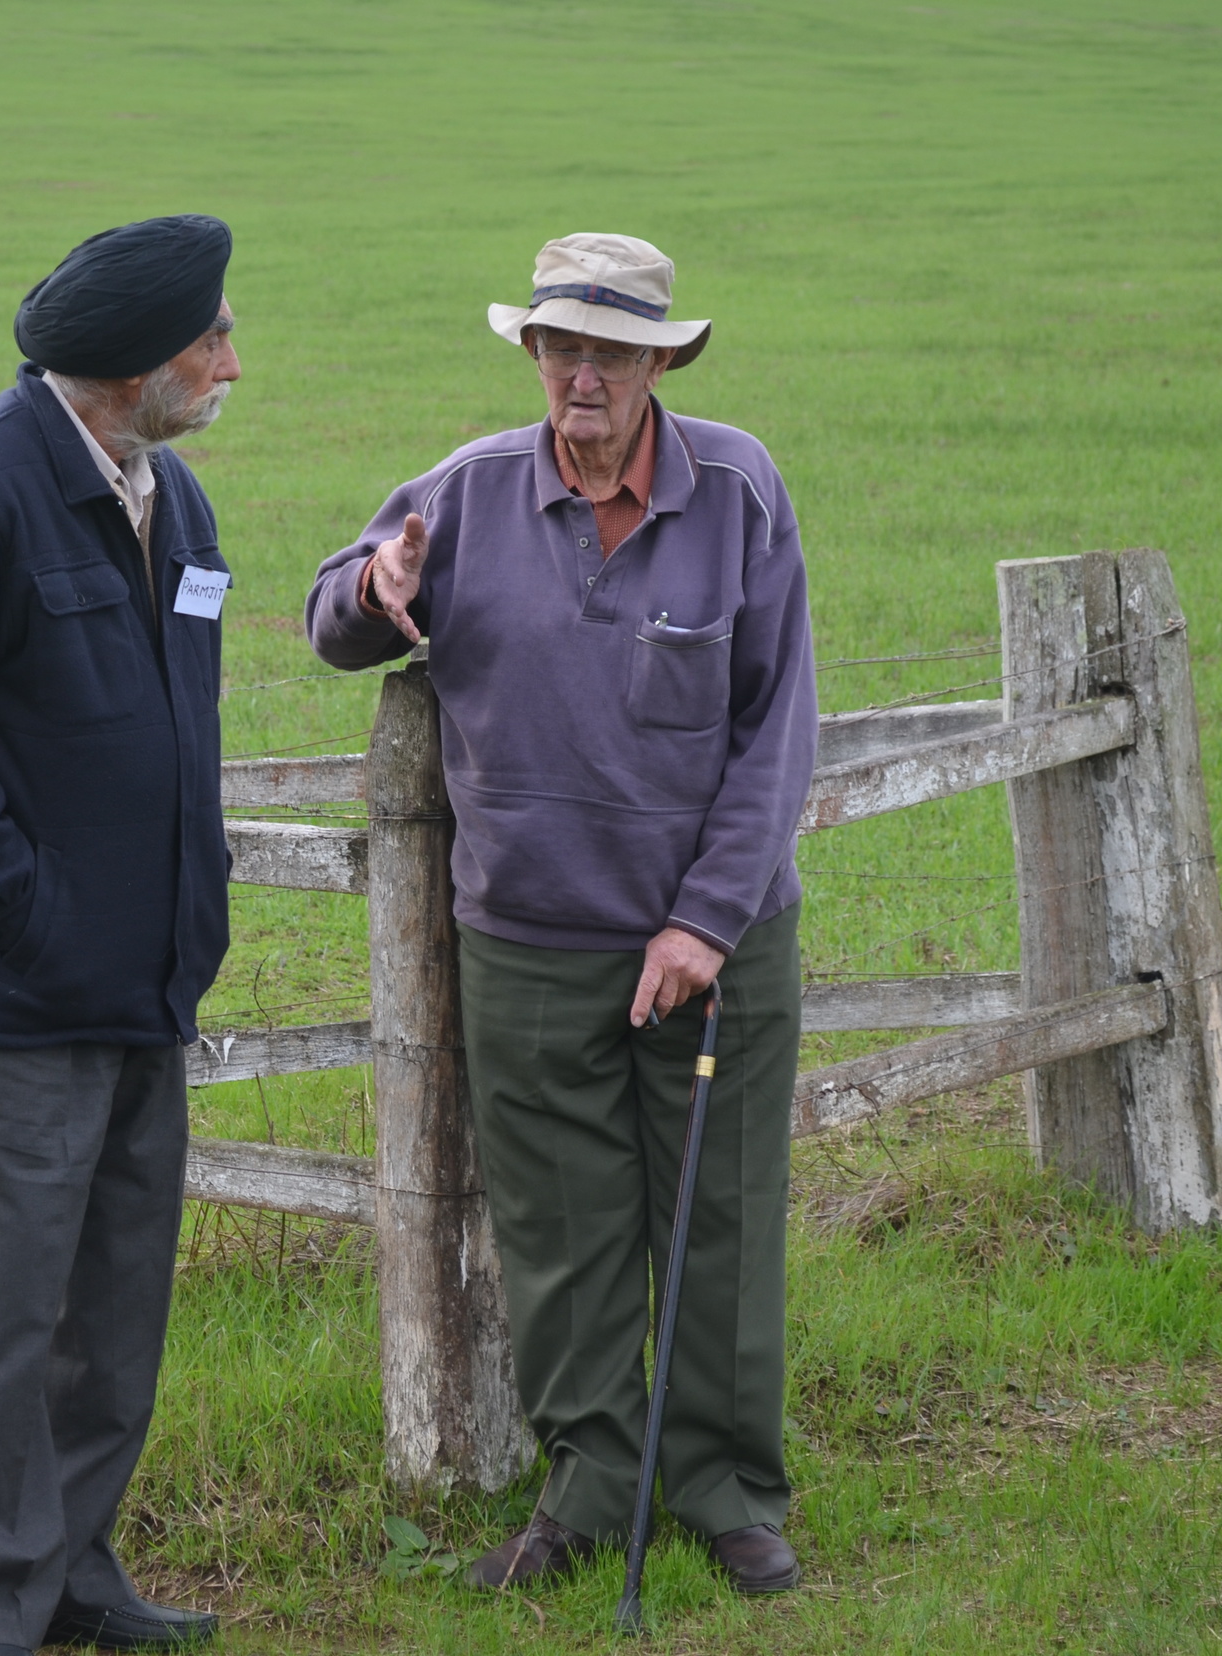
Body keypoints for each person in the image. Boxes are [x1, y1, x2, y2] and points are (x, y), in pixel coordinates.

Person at [304, 233, 818, 1597]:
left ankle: (725, 1491)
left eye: (613, 350)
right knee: (562, 1241)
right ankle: (590, 1491)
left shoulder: (741, 492)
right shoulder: (465, 494)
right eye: (562, 346)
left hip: (713, 948)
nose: (584, 374)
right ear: (532, 354)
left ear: (661, 361)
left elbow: (778, 730)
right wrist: (376, 594)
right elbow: (330, 609)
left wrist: (706, 920)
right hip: (530, 944)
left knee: (722, 1219)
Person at [0, 215, 242, 1656]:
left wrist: (176, 934)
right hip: (2, 999)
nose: (231, 366)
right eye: (212, 339)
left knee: (114, 1315)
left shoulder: (173, 500)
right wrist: (28, 915)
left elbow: (172, 731)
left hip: (142, 992)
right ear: (135, 364)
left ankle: (74, 1577)